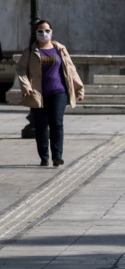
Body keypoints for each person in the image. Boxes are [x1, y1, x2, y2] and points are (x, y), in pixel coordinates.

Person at [16, 20, 84, 166]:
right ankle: (44, 157)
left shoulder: (60, 49)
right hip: (38, 93)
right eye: (40, 31)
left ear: (51, 32)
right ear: (36, 33)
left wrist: (79, 89)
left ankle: (57, 156)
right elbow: (21, 69)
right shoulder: (30, 51)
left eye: (47, 30)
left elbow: (70, 69)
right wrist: (26, 85)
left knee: (57, 123)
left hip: (58, 92)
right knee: (40, 125)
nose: (44, 33)